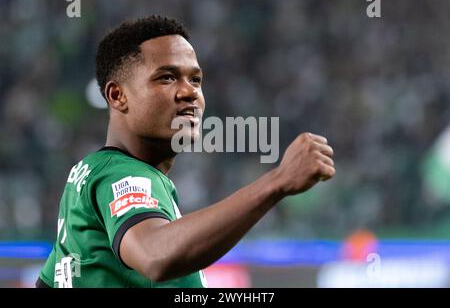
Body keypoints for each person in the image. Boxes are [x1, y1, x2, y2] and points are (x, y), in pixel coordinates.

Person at [36, 15, 335, 288]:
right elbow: (155, 256)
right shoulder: (120, 172)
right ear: (118, 96)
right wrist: (277, 181)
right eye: (167, 77)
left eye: (195, 80)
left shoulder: (93, 175)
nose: (189, 91)